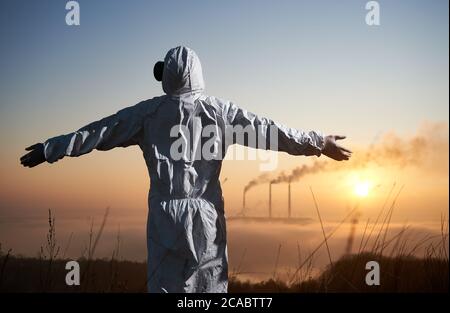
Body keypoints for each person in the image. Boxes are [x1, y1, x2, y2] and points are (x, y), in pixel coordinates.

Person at [20, 46, 351, 292]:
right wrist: (319, 142)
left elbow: (101, 130)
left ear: (166, 76)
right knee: (207, 289)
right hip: (206, 213)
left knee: (165, 287)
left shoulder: (148, 113)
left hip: (165, 214)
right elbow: (271, 131)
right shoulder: (222, 112)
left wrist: (51, 149)